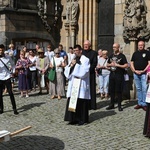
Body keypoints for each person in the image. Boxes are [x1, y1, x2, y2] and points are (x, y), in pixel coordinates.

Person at [64, 44, 90, 125]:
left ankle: (82, 119)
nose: (75, 52)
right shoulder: (73, 59)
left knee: (81, 102)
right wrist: (71, 65)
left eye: (76, 51)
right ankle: (73, 119)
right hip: (73, 83)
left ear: (80, 51)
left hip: (81, 82)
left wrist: (77, 64)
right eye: (74, 51)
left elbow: (85, 72)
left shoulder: (85, 59)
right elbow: (68, 70)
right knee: (72, 101)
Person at [106, 43, 128, 111]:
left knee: (119, 90)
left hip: (119, 75)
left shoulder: (122, 56)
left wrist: (118, 65)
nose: (114, 48)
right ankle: (112, 104)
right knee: (112, 90)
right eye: (113, 47)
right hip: (112, 74)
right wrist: (110, 64)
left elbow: (126, 65)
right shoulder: (111, 55)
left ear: (118, 48)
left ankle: (119, 105)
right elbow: (107, 64)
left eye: (115, 47)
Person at [130, 41, 150, 111]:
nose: (140, 46)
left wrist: (144, 70)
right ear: (137, 46)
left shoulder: (147, 53)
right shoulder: (135, 53)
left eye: (141, 45)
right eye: (139, 45)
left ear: (144, 45)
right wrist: (134, 70)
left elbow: (149, 63)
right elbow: (131, 62)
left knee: (144, 89)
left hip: (144, 73)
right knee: (138, 89)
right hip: (136, 73)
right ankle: (139, 103)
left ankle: (144, 104)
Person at [0, 44, 19, 115]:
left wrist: (13, 72)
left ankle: (14, 108)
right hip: (0, 77)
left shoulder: (8, 57)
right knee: (0, 94)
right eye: (0, 50)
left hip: (7, 76)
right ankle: (1, 108)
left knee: (11, 93)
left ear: (4, 50)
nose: (1, 51)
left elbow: (13, 65)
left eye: (2, 50)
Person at [82, 40, 97, 110]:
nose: (85, 46)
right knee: (84, 89)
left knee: (91, 89)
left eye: (87, 44)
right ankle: (85, 105)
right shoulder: (81, 52)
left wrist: (88, 70)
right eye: (84, 44)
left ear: (90, 45)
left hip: (90, 73)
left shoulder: (93, 53)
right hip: (82, 74)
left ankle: (92, 105)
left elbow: (94, 63)